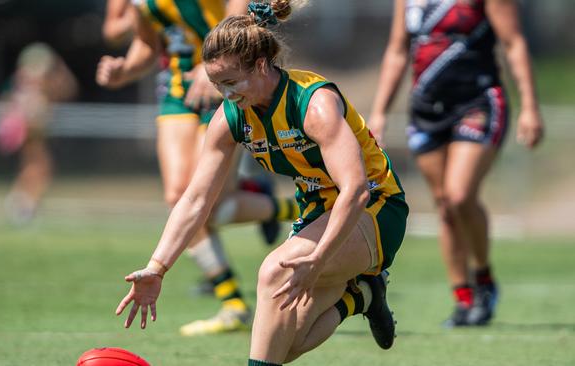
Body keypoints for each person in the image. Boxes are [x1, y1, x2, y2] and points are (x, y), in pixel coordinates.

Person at [114, 1, 409, 364]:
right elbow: (194, 199)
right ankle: (362, 295)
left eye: (231, 82)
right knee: (284, 344)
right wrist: (157, 268)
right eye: (217, 85)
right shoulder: (231, 116)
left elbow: (356, 189)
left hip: (376, 208)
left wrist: (317, 259)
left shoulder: (314, 104)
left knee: (273, 271)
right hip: (319, 212)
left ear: (260, 65)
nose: (226, 95)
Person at [97, 0, 298, 336]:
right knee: (180, 198)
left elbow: (241, 19)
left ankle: (302, 208)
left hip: (226, 84)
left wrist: (217, 71)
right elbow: (148, 46)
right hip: (177, 90)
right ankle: (233, 303)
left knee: (208, 205)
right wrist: (124, 70)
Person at [368, 0, 544, 327]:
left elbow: (513, 42)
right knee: (445, 204)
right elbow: (397, 51)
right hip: (426, 109)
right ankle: (463, 297)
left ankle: (485, 280)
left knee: (460, 194)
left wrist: (530, 106)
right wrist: (379, 111)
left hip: (478, 102)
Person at [0, 43, 78, 225]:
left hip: (33, 129)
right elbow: (68, 88)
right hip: (30, 129)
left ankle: (23, 202)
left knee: (36, 167)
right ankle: (22, 204)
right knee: (39, 167)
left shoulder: (23, 82)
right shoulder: (33, 82)